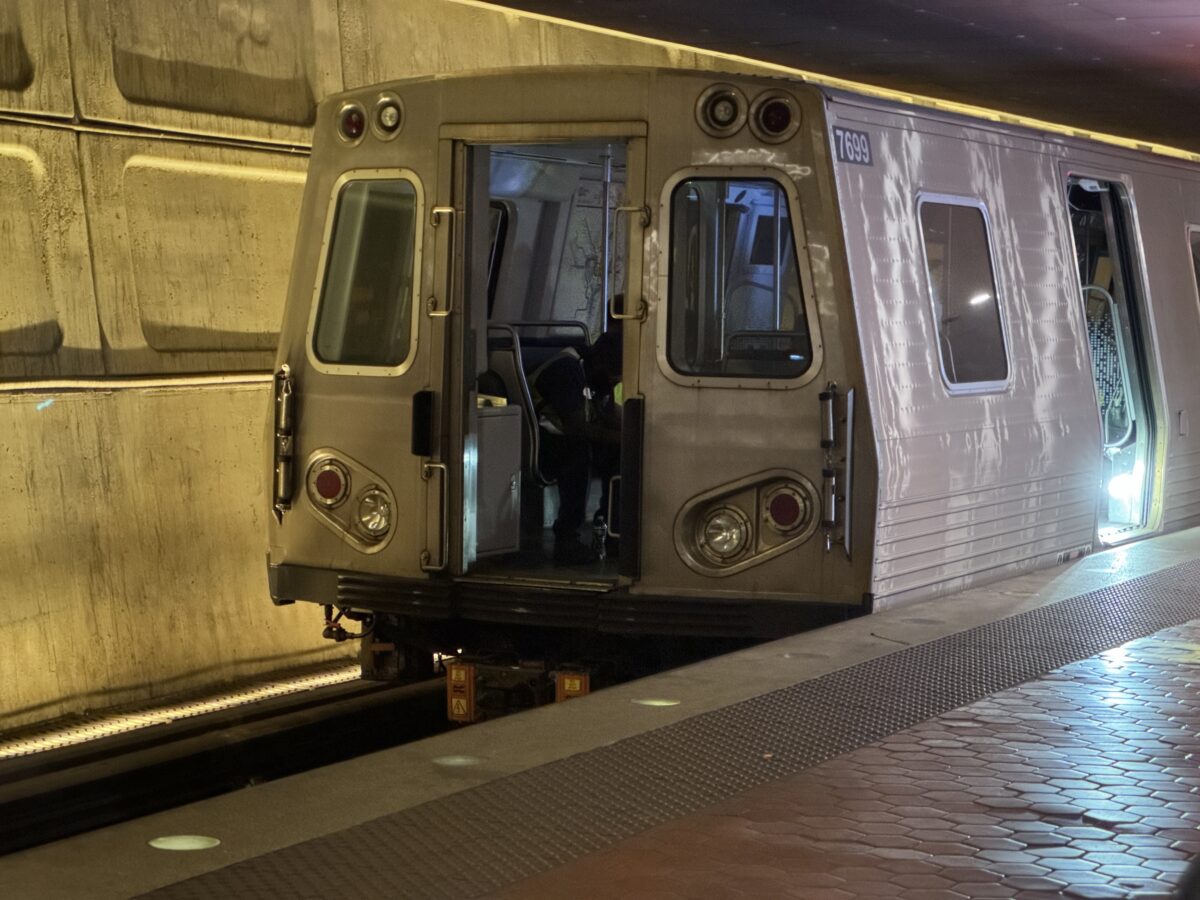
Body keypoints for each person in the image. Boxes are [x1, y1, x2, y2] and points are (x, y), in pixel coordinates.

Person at [530, 326, 622, 564]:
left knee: (623, 453)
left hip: (565, 437)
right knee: (577, 452)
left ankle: (614, 526)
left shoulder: (595, 373)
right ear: (602, 360)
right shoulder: (568, 370)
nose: (616, 379)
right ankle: (566, 537)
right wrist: (618, 437)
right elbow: (576, 427)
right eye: (615, 373)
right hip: (540, 443)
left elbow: (607, 413)